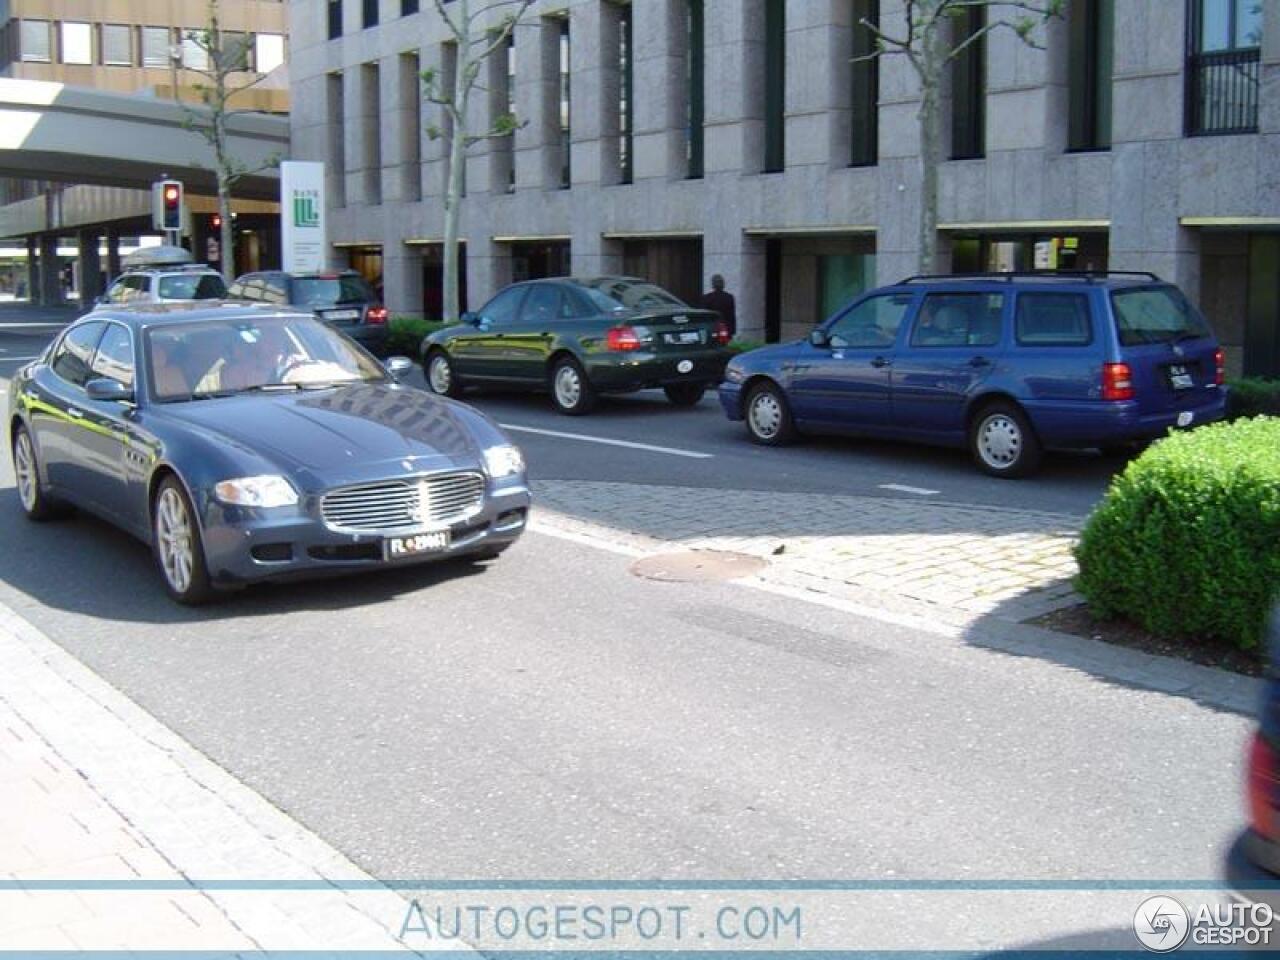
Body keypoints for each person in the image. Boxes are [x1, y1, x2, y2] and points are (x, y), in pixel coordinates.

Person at [702, 274, 736, 339]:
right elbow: (732, 316)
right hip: (725, 327)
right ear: (723, 284)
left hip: (712, 328)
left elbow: (705, 316)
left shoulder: (707, 298)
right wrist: (732, 331)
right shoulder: (729, 297)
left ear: (712, 285)